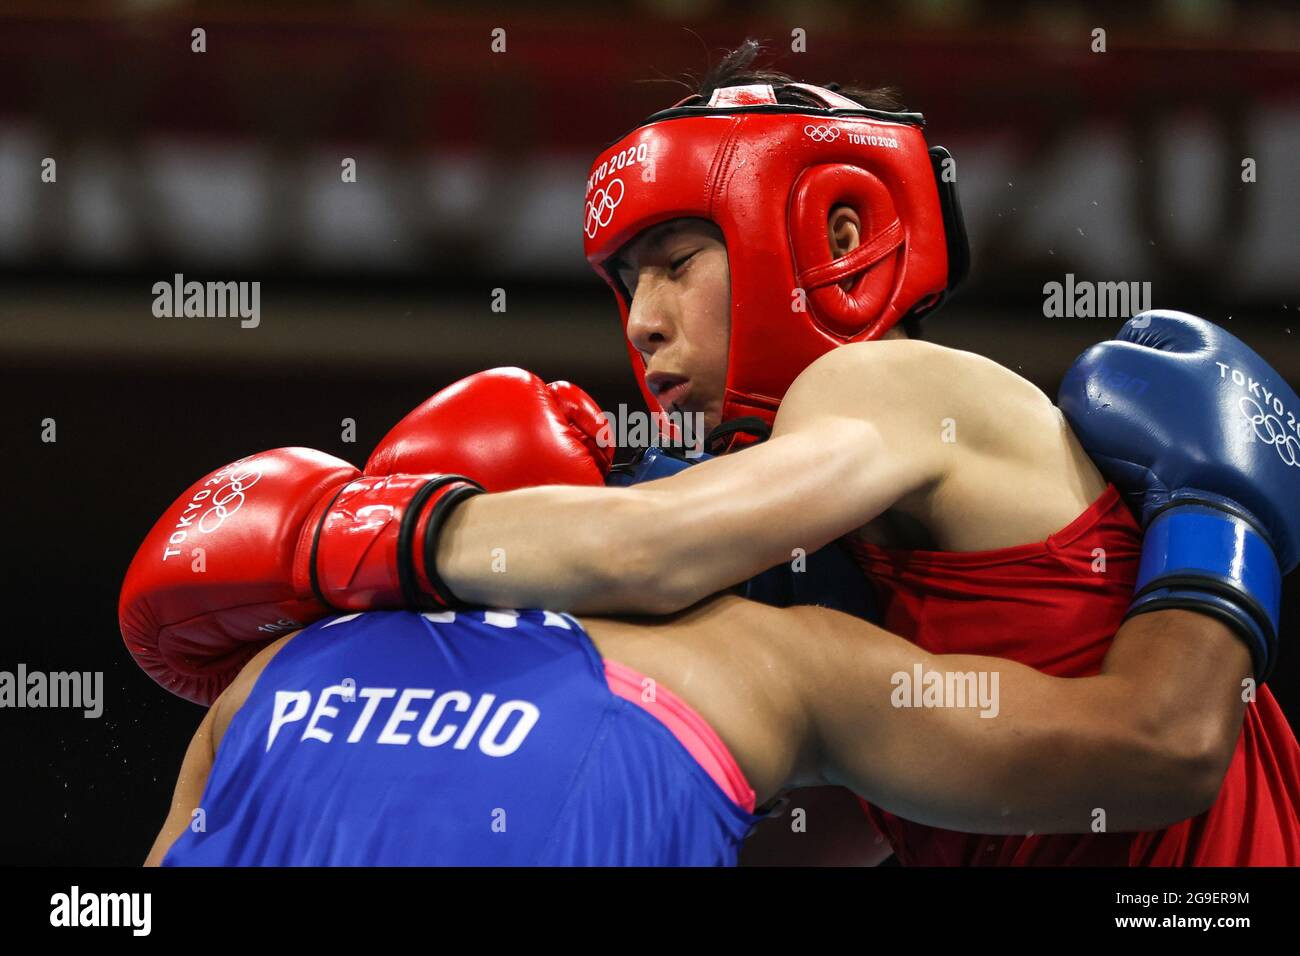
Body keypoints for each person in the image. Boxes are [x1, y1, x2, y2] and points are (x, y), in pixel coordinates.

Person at [123, 43, 1300, 865]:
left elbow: (644, 547)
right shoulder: (820, 594)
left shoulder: (883, 386)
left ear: (836, 232)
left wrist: (353, 532)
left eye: (677, 259)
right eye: (623, 282)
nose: (638, 321)